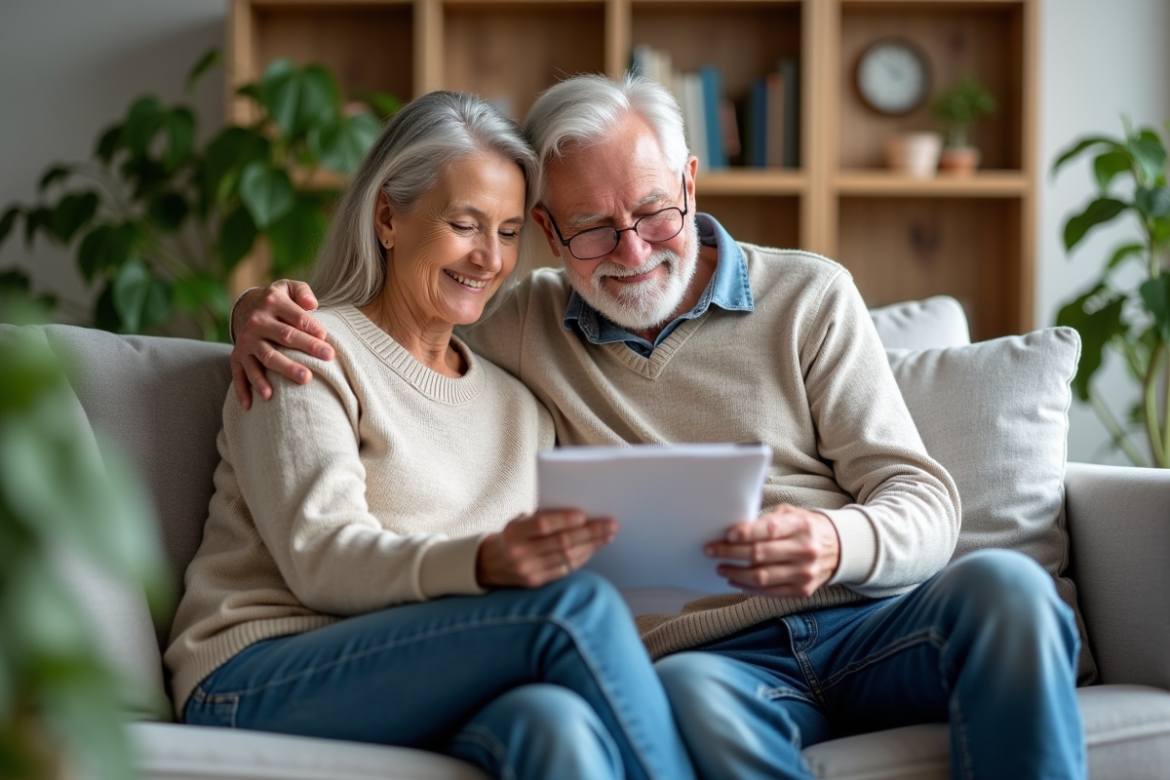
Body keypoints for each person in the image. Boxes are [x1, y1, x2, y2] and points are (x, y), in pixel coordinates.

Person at [230, 75, 1085, 779]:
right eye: (594, 229)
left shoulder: (809, 297)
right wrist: (255, 312)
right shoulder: (518, 322)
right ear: (551, 233)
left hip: (865, 616)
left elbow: (924, 498)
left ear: (690, 181)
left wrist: (835, 540)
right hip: (710, 661)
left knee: (1013, 592)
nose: (633, 251)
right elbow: (386, 327)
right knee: (687, 704)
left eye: (652, 211)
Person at [164, 90, 697, 780]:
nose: (488, 258)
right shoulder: (304, 349)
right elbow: (320, 557)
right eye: (464, 224)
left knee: (555, 724)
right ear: (388, 216)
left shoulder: (519, 402)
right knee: (573, 610)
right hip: (259, 672)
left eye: (508, 233)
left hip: (429, 670)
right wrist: (484, 563)